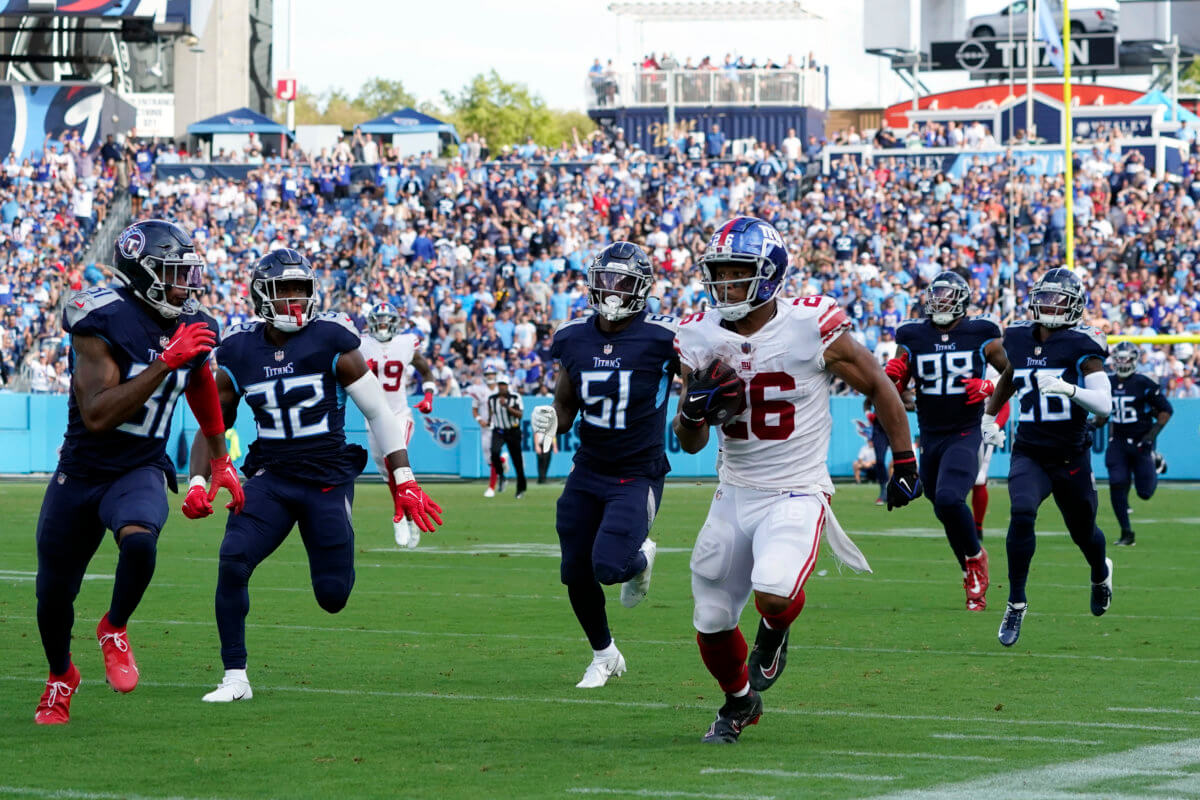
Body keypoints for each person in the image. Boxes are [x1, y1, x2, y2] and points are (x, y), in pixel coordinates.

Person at [673, 216, 921, 743]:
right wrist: (693, 411)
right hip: (735, 486)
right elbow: (689, 441)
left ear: (768, 276)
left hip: (797, 487)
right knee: (711, 618)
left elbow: (878, 383)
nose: (725, 285)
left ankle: (775, 632)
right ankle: (739, 702)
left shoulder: (811, 325)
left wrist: (904, 460)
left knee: (775, 590)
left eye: (738, 274)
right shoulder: (698, 335)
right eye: (719, 273)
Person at [188, 249, 443, 702]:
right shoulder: (239, 348)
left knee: (332, 596)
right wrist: (197, 479)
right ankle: (235, 676)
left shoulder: (331, 338)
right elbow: (213, 420)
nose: (293, 300)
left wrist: (403, 478)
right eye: (283, 290)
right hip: (273, 475)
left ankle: (341, 528)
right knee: (232, 559)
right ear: (260, 295)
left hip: (327, 477)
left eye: (300, 290)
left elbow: (378, 412)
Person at [33, 219, 245, 724]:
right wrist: (164, 363)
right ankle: (61, 676)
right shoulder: (100, 317)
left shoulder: (194, 323)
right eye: (175, 274)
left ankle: (115, 625)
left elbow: (200, 382)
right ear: (144, 272)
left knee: (142, 539)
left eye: (189, 274)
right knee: (53, 594)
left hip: (141, 466)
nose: (188, 286)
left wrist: (219, 460)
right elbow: (99, 414)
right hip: (82, 470)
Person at [531, 242, 679, 689]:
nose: (614, 291)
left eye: (624, 283)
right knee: (574, 571)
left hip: (637, 471)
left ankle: (642, 558)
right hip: (588, 469)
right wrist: (552, 419)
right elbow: (565, 401)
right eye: (607, 281)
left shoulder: (663, 337)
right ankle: (604, 654)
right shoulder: (574, 336)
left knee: (609, 566)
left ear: (642, 288)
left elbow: (696, 380)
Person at [983, 268, 1113, 648]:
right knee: (1022, 512)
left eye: (1059, 299)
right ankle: (1016, 602)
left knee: (1084, 533)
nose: (1050, 305)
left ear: (1074, 305)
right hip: (1030, 451)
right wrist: (989, 417)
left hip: (1071, 455)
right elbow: (1010, 373)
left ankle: (1100, 574)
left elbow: (1104, 403)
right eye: (1046, 297)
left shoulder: (1082, 345)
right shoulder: (1020, 336)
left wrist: (1068, 388)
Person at [886, 271, 1010, 611]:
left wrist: (989, 389)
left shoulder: (981, 332)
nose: (940, 302)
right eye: (935, 295)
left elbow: (1012, 374)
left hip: (966, 430)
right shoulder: (911, 335)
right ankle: (972, 564)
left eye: (947, 296)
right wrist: (891, 378)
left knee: (949, 498)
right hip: (930, 433)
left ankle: (974, 561)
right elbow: (895, 391)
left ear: (962, 300)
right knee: (942, 505)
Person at [358, 301, 437, 549]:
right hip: (372, 416)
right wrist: (363, 371)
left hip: (399, 414)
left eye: (385, 321)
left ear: (394, 324)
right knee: (386, 471)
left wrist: (428, 396)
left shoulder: (405, 343)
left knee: (394, 461)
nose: (382, 325)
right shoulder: (361, 344)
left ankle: (400, 516)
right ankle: (409, 512)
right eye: (378, 321)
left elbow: (426, 372)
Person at [1105, 340, 1172, 547]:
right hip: (1118, 441)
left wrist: (1151, 435)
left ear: (1134, 360)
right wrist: (1091, 425)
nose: (1122, 362)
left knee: (1145, 493)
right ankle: (1126, 532)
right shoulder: (1107, 382)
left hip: (1142, 442)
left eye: (1126, 358)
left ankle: (1155, 460)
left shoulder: (1144, 383)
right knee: (1116, 483)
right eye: (1119, 358)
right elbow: (1102, 413)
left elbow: (1166, 410)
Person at [971, 364, 1011, 540]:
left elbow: (1004, 404)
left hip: (980, 428)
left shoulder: (993, 368)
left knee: (979, 479)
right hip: (956, 426)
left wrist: (993, 427)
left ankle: (977, 527)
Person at [466, 367, 507, 496]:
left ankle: (491, 488)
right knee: (488, 460)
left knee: (493, 456)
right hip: (485, 428)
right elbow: (474, 409)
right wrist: (479, 420)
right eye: (488, 374)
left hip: (498, 427)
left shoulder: (501, 390)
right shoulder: (480, 391)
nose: (490, 376)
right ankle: (503, 461)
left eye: (492, 374)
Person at [486, 374, 526, 499]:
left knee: (517, 461)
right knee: (494, 452)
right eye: (500, 384)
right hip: (498, 430)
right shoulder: (492, 399)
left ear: (508, 386)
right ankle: (502, 476)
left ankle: (520, 489)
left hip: (513, 430)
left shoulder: (515, 397)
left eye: (504, 384)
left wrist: (507, 407)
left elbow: (520, 415)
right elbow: (491, 412)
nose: (502, 387)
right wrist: (488, 421)